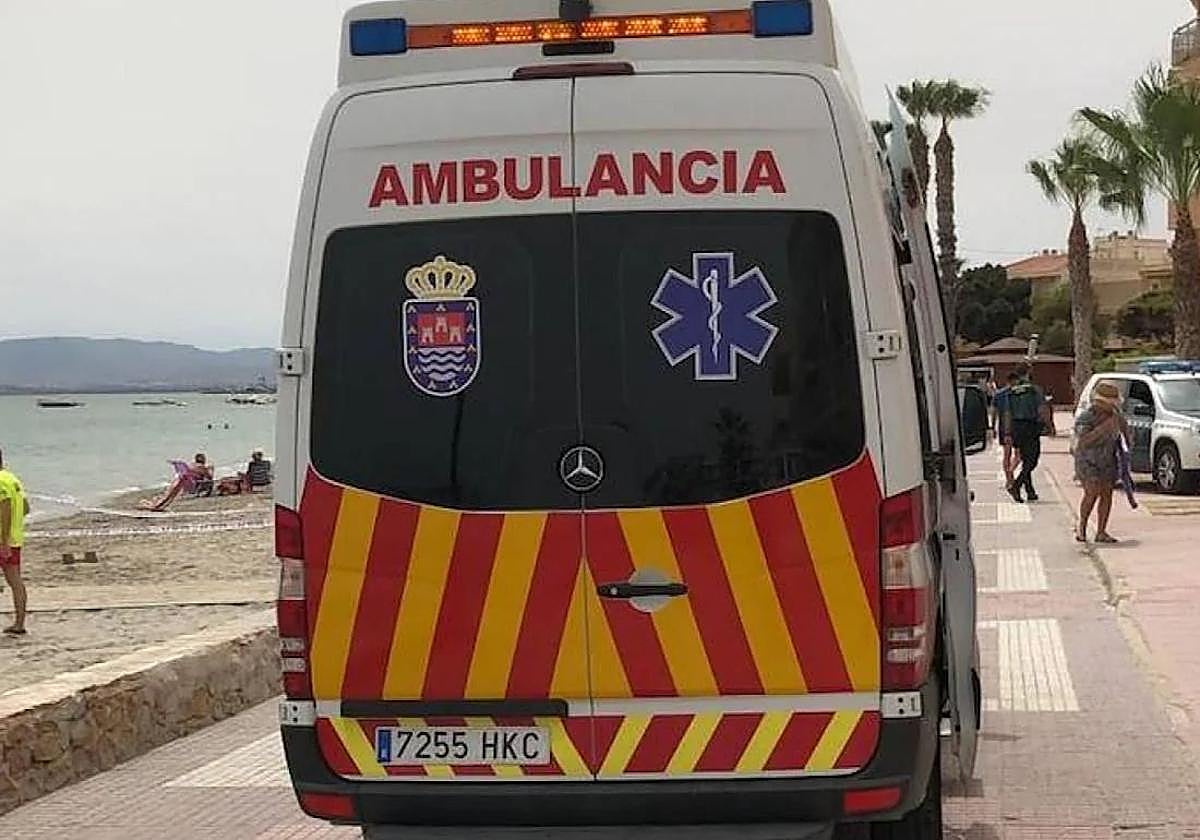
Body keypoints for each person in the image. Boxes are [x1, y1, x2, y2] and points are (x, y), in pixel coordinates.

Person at [1074, 381, 1128, 544]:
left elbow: (1125, 436)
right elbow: (1083, 441)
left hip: (1108, 459)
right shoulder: (1086, 417)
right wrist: (1104, 428)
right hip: (1087, 460)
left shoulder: (1116, 416)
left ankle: (1101, 531)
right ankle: (1081, 526)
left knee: (1106, 494)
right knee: (1091, 492)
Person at [1004, 363, 1046, 503]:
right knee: (1032, 460)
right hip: (1030, 425)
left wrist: (1008, 431)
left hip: (1016, 426)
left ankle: (1030, 491)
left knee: (1025, 458)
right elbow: (1041, 409)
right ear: (1029, 372)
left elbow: (1008, 413)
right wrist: (1047, 425)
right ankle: (1017, 485)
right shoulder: (1035, 390)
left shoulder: (1011, 391)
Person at [0, 448, 30, 635]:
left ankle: (19, 624)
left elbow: (6, 509)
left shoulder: (1, 481)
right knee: (15, 581)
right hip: (15, 537)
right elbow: (25, 507)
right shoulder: (13, 479)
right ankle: (19, 623)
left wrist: (3, 541)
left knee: (14, 580)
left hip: (4, 540)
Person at [993, 372, 1022, 490]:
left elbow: (994, 411)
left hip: (1003, 427)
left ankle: (1009, 477)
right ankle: (1010, 477)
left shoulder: (998, 394)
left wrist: (993, 426)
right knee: (1016, 454)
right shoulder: (1016, 394)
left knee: (1009, 454)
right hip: (1015, 427)